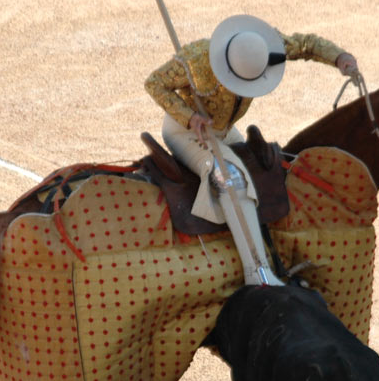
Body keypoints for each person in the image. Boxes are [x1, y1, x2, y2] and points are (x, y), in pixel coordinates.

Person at [145, 14, 358, 285]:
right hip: (185, 131)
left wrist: (339, 57)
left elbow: (306, 44)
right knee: (230, 177)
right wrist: (189, 116)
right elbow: (154, 83)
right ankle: (256, 273)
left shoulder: (263, 48)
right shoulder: (195, 59)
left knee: (264, 165)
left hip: (222, 130)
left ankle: (271, 251)